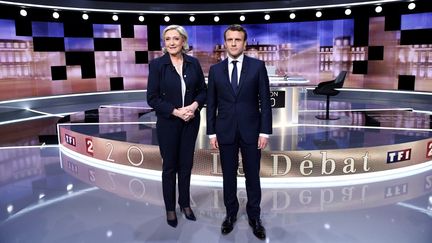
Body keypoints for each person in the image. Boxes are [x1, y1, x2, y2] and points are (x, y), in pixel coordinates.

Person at [206, 24, 272, 240]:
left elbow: (265, 102)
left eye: (238, 39)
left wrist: (265, 132)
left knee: (253, 177)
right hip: (225, 131)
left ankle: (255, 217)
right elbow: (212, 103)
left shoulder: (257, 67)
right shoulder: (216, 70)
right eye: (230, 39)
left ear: (245, 43)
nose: (233, 43)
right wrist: (211, 133)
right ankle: (230, 214)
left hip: (252, 131)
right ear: (225, 43)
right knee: (228, 177)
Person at [147, 25, 207, 228]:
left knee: (186, 165)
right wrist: (175, 111)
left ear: (183, 41)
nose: (171, 43)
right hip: (169, 123)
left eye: (175, 39)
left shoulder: (193, 63)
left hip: (190, 121)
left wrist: (193, 106)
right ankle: (170, 208)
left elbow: (203, 91)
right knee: (169, 167)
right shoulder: (157, 65)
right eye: (168, 39)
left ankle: (184, 204)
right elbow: (152, 98)